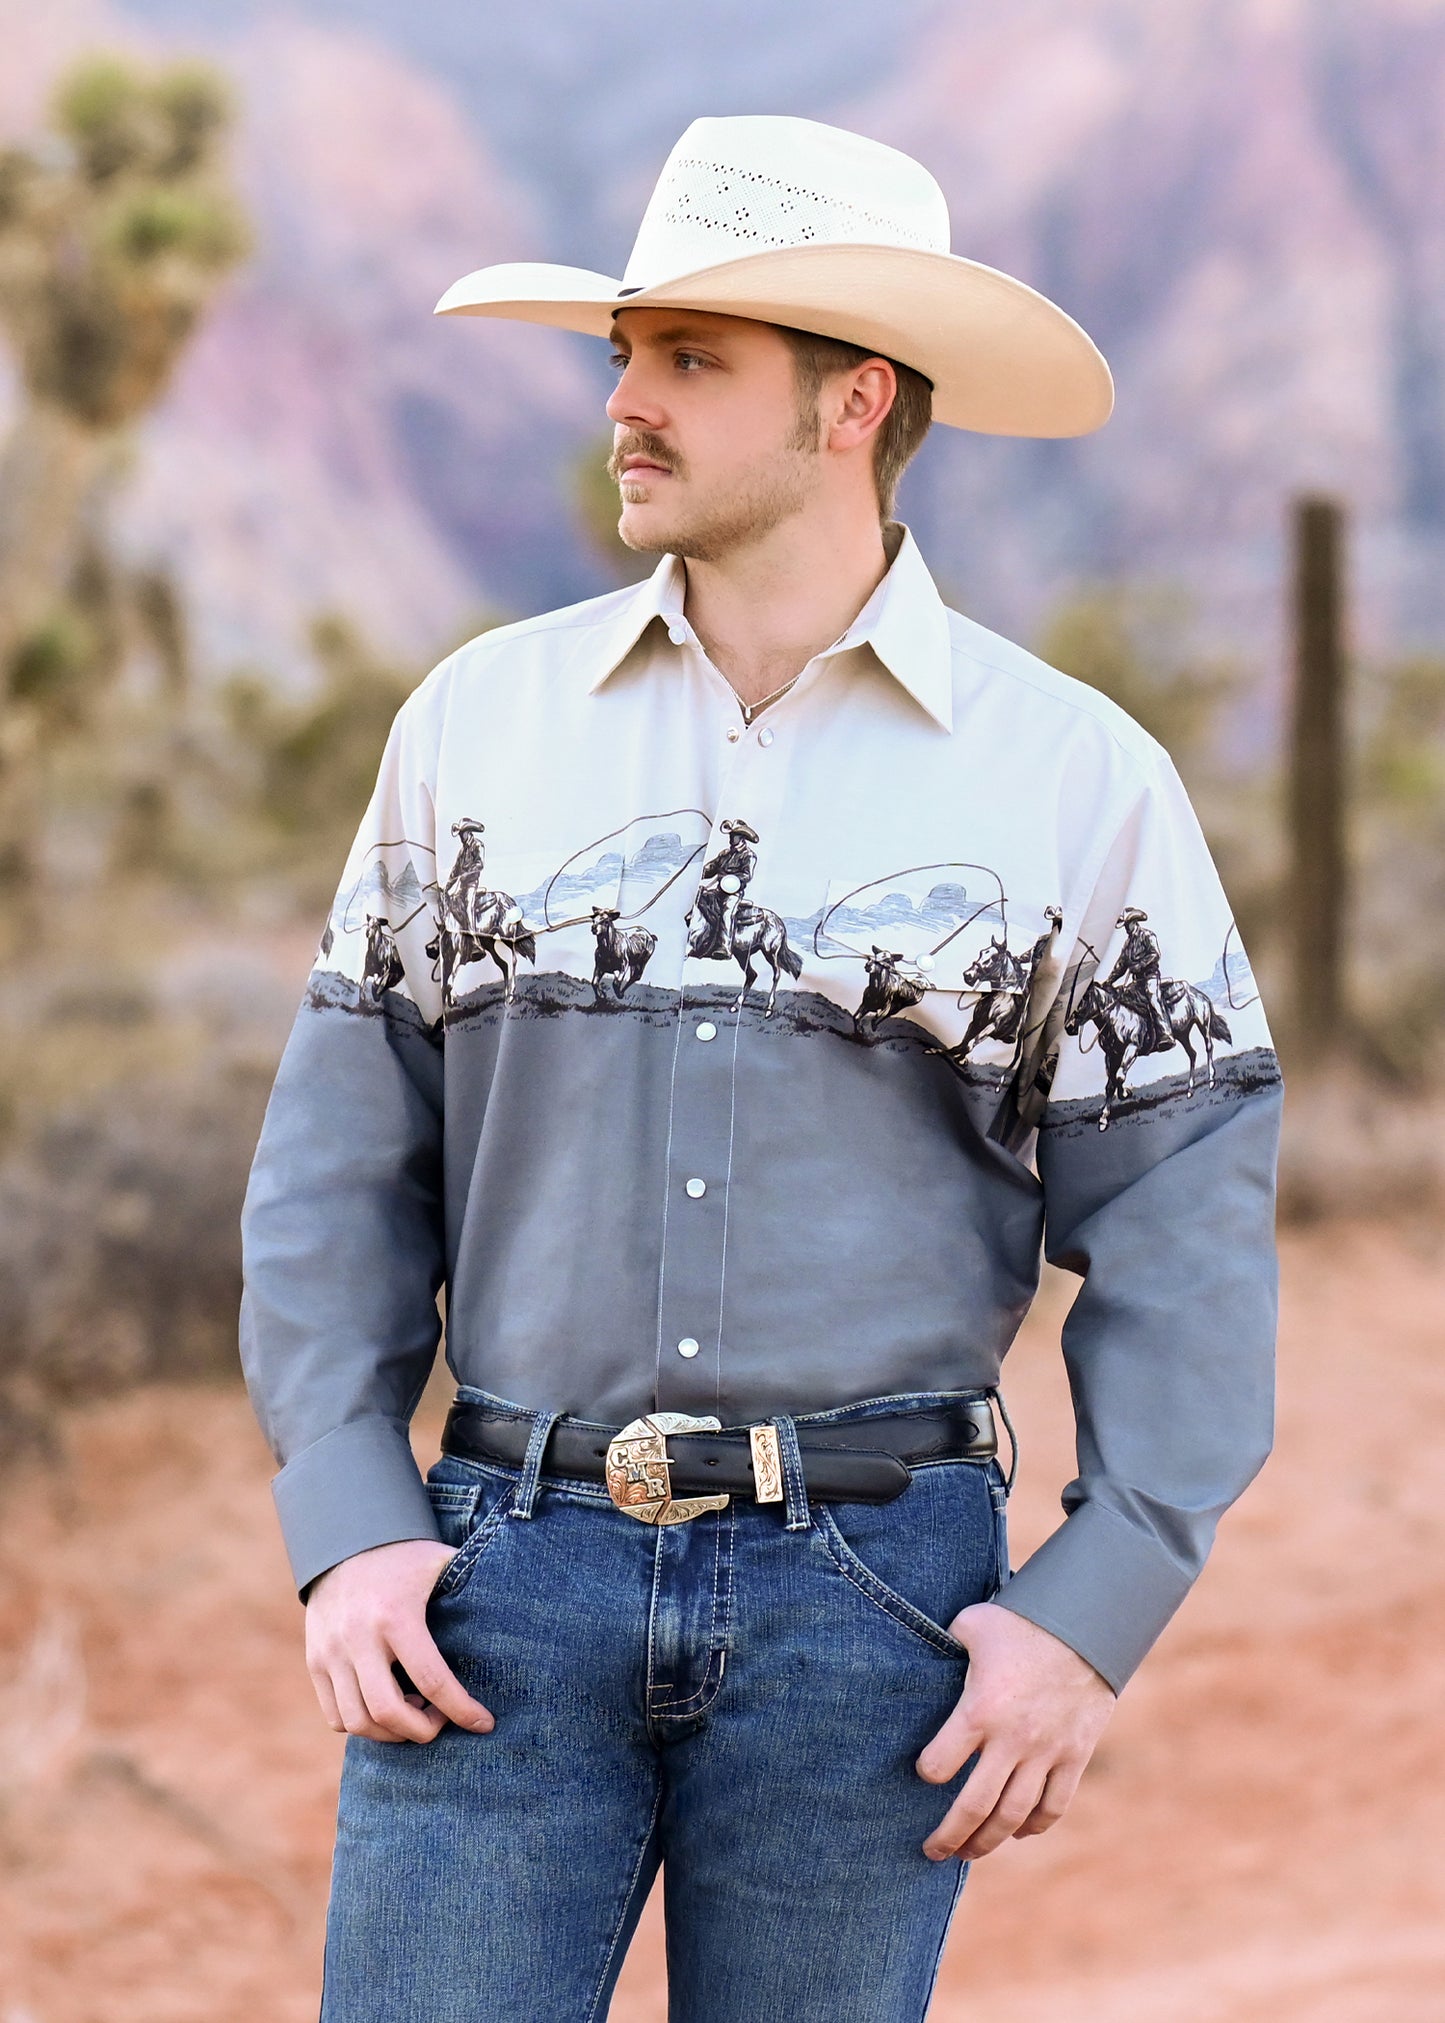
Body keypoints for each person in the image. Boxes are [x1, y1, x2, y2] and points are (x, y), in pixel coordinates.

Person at [238, 115, 1283, 2022]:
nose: (623, 403)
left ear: (851, 401)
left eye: (690, 359)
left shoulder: (1074, 778)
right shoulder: (476, 726)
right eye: (622, 353)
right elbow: (337, 1163)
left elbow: (1184, 1226)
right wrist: (349, 1526)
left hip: (876, 1602)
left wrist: (1090, 1613)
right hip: (495, 1583)